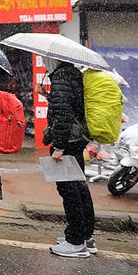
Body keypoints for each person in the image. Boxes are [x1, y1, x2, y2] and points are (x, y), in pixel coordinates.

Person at [43, 57, 96, 258]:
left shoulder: (60, 79)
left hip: (68, 142)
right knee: (80, 187)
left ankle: (75, 242)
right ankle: (86, 237)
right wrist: (49, 96)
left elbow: (64, 115)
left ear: (53, 60)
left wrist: (59, 147)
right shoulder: (74, 75)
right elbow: (72, 107)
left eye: (45, 58)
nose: (43, 60)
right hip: (77, 138)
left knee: (69, 190)